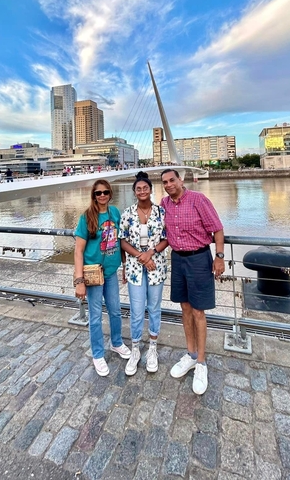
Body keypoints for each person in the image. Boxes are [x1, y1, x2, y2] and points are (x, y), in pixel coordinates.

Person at [160, 169, 225, 395]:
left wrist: (219, 257)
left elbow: (217, 229)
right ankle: (190, 354)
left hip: (199, 258)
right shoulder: (164, 203)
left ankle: (201, 362)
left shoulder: (198, 199)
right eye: (164, 182)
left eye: (172, 180)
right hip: (177, 259)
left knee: (199, 311)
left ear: (181, 180)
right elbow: (163, 233)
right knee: (185, 308)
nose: (168, 185)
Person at [74, 179, 131, 376]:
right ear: (94, 195)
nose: (102, 196)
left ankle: (116, 342)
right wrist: (79, 280)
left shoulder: (115, 213)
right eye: (98, 193)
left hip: (111, 272)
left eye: (105, 192)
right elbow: (78, 251)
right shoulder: (87, 217)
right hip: (93, 274)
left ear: (110, 194)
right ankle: (98, 354)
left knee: (115, 311)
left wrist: (124, 265)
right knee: (96, 316)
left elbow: (120, 240)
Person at [119, 172, 168, 376]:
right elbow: (122, 240)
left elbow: (167, 238)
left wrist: (151, 253)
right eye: (138, 189)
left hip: (156, 266)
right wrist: (141, 256)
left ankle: (153, 348)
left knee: (154, 308)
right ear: (134, 191)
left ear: (150, 190)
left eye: (145, 188)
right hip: (134, 267)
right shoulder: (127, 213)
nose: (142, 191)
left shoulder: (161, 212)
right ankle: (136, 348)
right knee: (137, 309)